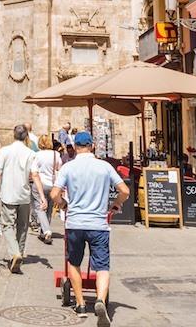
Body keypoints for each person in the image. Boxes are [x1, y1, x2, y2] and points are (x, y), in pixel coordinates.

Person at [51, 131, 129, 326]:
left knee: (74, 262)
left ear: (75, 147)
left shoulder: (68, 167)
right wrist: (116, 204)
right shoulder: (104, 167)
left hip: (75, 223)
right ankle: (101, 300)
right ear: (92, 146)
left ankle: (80, 304)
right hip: (99, 224)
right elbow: (125, 191)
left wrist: (63, 205)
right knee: (102, 266)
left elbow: (54, 194)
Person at [0, 124, 47, 272]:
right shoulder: (30, 153)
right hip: (24, 196)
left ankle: (15, 253)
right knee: (23, 227)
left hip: (8, 195)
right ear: (26, 136)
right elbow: (35, 175)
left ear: (13, 135)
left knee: (8, 226)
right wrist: (42, 197)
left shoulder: (5, 151)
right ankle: (18, 254)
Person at [31, 134, 60, 244]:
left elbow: (34, 171)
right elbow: (59, 169)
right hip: (52, 184)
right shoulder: (56, 154)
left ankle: (47, 230)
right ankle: (43, 232)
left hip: (40, 183)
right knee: (48, 208)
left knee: (40, 207)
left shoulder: (37, 155)